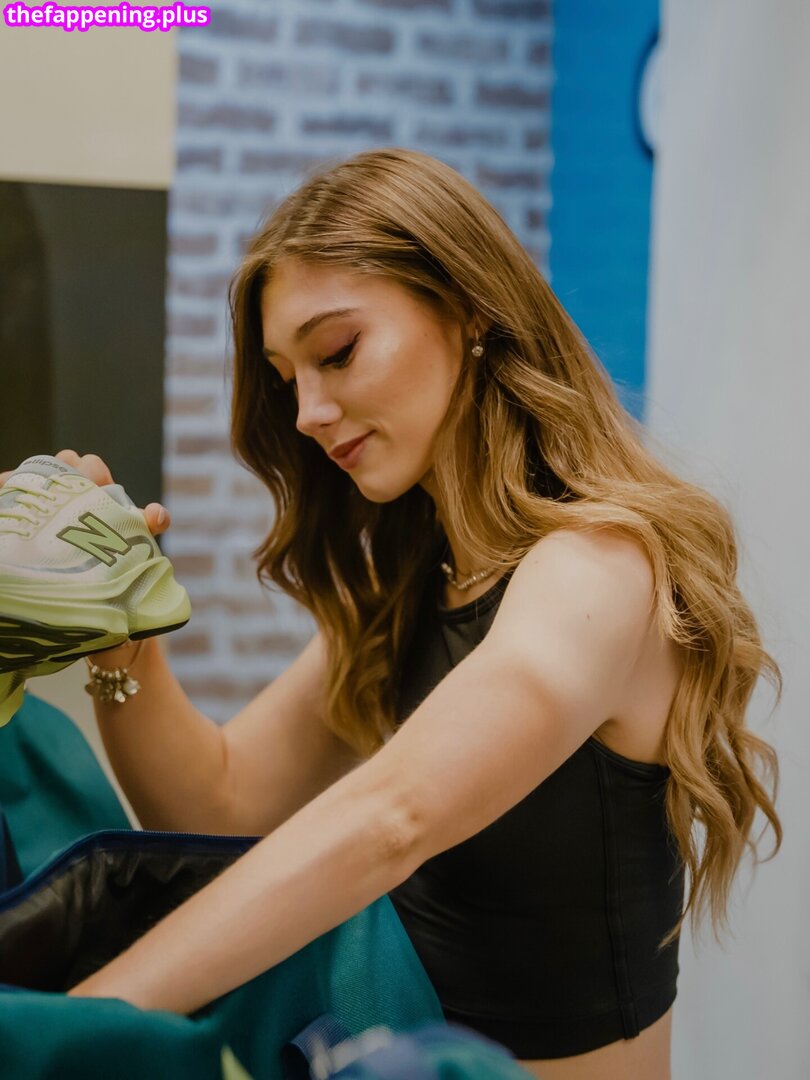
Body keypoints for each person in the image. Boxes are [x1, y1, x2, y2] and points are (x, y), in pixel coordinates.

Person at [9, 148, 781, 1080]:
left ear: (470, 308)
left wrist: (78, 1022)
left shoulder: (598, 571)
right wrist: (124, 637)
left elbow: (392, 818)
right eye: (288, 377)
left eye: (336, 353)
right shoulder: (413, 581)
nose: (307, 412)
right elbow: (219, 803)